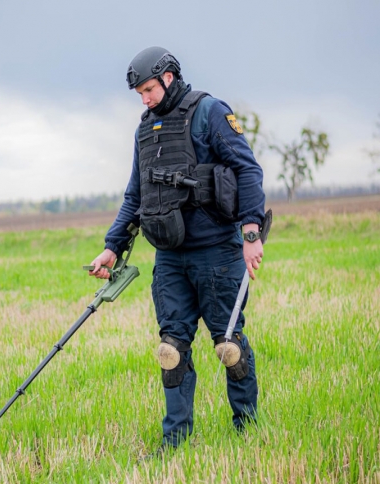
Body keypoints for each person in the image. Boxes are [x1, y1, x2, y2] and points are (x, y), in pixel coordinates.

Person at [88, 46, 266, 454]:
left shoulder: (209, 112)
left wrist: (251, 233)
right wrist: (112, 247)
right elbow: (136, 193)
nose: (145, 99)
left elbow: (247, 169)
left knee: (228, 346)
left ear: (168, 77)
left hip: (218, 252)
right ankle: (175, 442)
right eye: (139, 95)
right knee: (170, 350)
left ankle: (248, 431)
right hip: (170, 257)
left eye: (148, 90)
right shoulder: (144, 129)